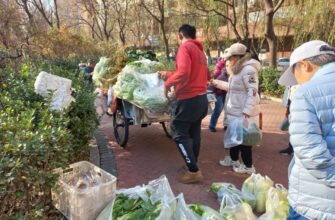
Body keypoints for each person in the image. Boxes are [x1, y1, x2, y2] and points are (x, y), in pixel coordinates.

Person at [278, 40, 335, 220]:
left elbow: (312, 155)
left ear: (305, 65)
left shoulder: (307, 93)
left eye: (295, 74)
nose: (297, 82)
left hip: (317, 202)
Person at [159, 24, 208, 184]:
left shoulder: (185, 48)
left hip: (188, 100)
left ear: (180, 35)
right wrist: (167, 74)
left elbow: (184, 72)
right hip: (201, 99)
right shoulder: (200, 52)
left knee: (178, 132)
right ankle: (192, 165)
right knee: (194, 133)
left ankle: (193, 171)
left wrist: (167, 84)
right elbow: (199, 74)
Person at [210, 43, 261, 174]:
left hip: (242, 113)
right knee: (233, 137)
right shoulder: (238, 69)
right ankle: (234, 160)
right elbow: (232, 88)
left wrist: (246, 112)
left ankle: (249, 167)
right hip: (234, 111)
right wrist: (216, 83)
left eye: (230, 58)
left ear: (238, 57)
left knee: (244, 140)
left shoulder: (248, 70)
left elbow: (253, 92)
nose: (228, 60)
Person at [208, 58, 228, 132]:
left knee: (228, 109)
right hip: (219, 93)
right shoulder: (222, 72)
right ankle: (211, 125)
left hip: (226, 93)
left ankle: (226, 125)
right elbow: (214, 82)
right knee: (218, 109)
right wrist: (210, 91)